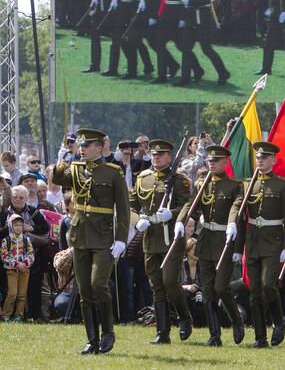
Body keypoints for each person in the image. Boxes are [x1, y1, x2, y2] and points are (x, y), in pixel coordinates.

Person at [52, 128, 130, 355]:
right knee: (84, 289)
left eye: (87, 146)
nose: (82, 149)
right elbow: (57, 179)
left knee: (98, 284)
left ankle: (108, 332)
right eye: (81, 146)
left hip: (104, 237)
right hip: (80, 235)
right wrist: (62, 160)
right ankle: (92, 339)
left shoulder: (113, 172)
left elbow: (123, 210)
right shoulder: (76, 169)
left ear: (100, 147)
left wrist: (121, 239)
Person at [177, 145, 246, 346]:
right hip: (206, 241)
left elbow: (237, 206)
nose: (212, 163)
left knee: (221, 287)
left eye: (216, 161)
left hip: (224, 240)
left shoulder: (235, 185)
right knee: (207, 290)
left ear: (225, 162)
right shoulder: (202, 185)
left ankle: (237, 320)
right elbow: (191, 204)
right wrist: (181, 220)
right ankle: (214, 334)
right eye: (209, 160)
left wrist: (232, 224)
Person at [233, 142, 285, 348]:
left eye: (264, 157)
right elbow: (242, 218)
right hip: (253, 241)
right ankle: (260, 337)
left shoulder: (282, 185)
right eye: (258, 157)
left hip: (273, 241)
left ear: (273, 160)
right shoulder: (246, 184)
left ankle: (279, 322)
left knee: (269, 285)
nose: (260, 160)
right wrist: (237, 247)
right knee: (254, 290)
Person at [132, 140, 193, 344]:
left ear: (170, 156)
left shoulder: (179, 180)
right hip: (150, 237)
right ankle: (162, 332)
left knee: (170, 282)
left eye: (161, 154)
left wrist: (173, 214)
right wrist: (138, 219)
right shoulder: (143, 178)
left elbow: (189, 205)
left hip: (171, 239)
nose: (156, 157)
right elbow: (131, 205)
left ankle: (184, 317)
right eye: (154, 154)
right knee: (156, 285)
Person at [176, 0, 230, 86]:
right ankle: (185, 77)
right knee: (186, 47)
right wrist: (183, 14)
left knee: (206, 48)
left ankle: (223, 72)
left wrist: (191, 1)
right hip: (190, 17)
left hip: (202, 17)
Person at [1, 214, 34, 321]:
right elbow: (4, 256)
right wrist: (16, 264)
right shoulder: (6, 240)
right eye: (15, 225)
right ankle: (6, 315)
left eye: (20, 225)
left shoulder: (26, 240)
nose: (18, 227)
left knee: (22, 294)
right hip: (12, 271)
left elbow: (31, 254)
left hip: (24, 270)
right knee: (12, 294)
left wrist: (25, 263)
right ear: (11, 226)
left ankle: (19, 315)